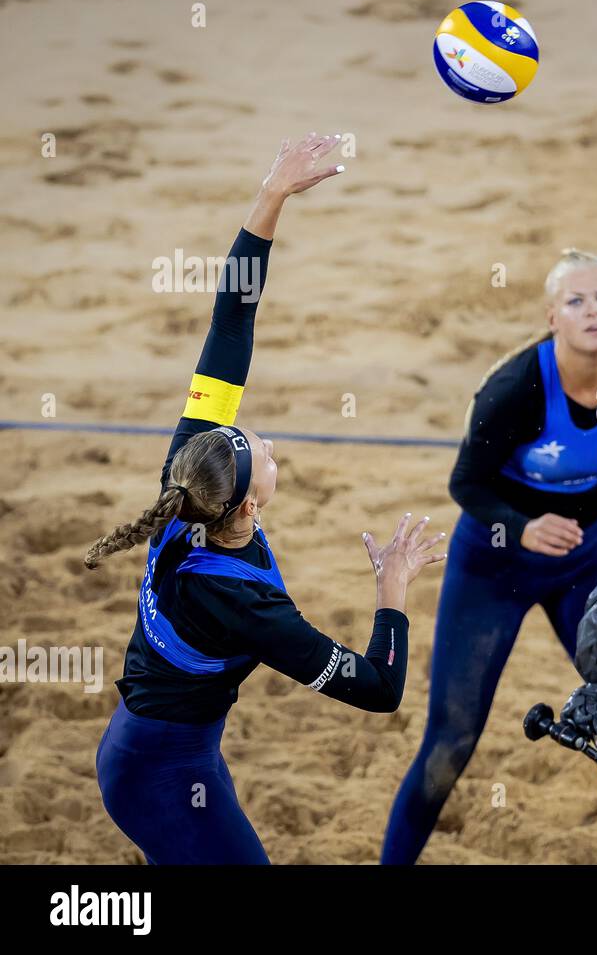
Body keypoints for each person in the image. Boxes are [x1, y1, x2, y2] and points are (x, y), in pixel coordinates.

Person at [85, 134, 446, 864]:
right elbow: (378, 689)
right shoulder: (246, 605)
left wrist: (270, 198)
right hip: (159, 771)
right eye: (266, 458)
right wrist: (393, 589)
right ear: (248, 507)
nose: (270, 443)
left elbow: (231, 321)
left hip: (159, 749)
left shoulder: (187, 476)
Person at [382, 248, 597, 864]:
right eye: (576, 301)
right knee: (452, 740)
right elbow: (465, 483)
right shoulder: (517, 388)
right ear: (554, 317)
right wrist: (521, 528)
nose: (593, 310)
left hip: (587, 558)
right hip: (493, 565)